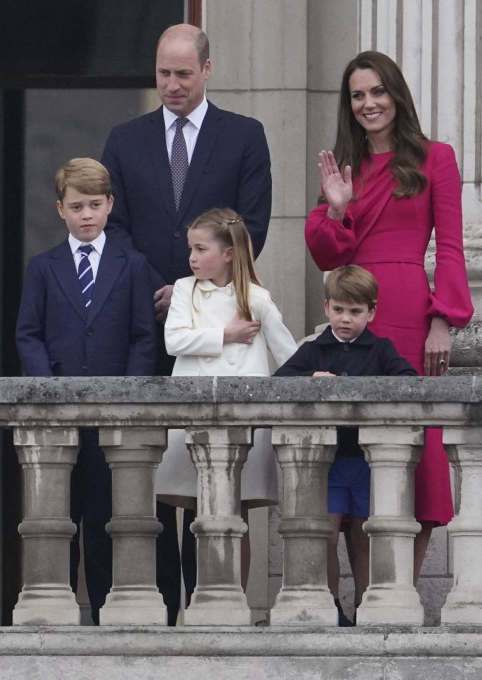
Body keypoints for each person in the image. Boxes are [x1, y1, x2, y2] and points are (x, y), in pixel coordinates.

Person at [100, 23, 272, 622]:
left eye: (182, 73)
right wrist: (162, 288)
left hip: (219, 335)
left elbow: (252, 223)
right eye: (162, 73)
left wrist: (197, 286)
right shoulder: (125, 138)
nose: (170, 84)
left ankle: (211, 601)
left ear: (207, 70)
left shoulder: (243, 136)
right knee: (153, 475)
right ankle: (160, 604)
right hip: (147, 324)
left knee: (214, 474)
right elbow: (112, 227)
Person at [305, 51, 473, 583]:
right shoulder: (343, 166)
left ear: (396, 95)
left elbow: (449, 245)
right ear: (348, 104)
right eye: (358, 95)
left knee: (414, 454)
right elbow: (328, 256)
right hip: (354, 314)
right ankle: (358, 601)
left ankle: (395, 592)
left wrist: (443, 318)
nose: (369, 103)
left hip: (407, 312)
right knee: (355, 453)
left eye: (377, 91)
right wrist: (336, 207)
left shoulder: (435, 157)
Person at [15, 158, 156, 624]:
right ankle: (53, 615)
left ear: (110, 205)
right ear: (60, 210)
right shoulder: (43, 267)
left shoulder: (132, 266)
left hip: (112, 416)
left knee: (103, 518)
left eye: (95, 205)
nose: (87, 215)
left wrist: (129, 395)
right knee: (56, 520)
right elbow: (28, 333)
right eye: (77, 206)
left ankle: (102, 615)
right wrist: (48, 390)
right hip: (58, 415)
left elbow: (142, 335)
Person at [158, 208, 296, 603]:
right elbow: (175, 341)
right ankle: (193, 604)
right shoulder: (184, 289)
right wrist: (227, 334)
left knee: (238, 516)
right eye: (191, 249)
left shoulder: (257, 297)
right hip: (190, 414)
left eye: (201, 249)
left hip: (244, 420)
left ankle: (235, 600)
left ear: (229, 252)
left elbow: (287, 355)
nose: (192, 257)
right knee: (194, 514)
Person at [275, 265, 417, 626]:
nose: (345, 318)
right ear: (326, 308)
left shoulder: (381, 349)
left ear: (371, 312)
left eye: (355, 312)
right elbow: (278, 382)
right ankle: (332, 606)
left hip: (369, 461)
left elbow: (409, 382)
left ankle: (366, 606)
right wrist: (311, 378)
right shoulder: (314, 348)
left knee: (363, 535)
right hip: (329, 461)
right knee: (324, 533)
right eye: (338, 310)